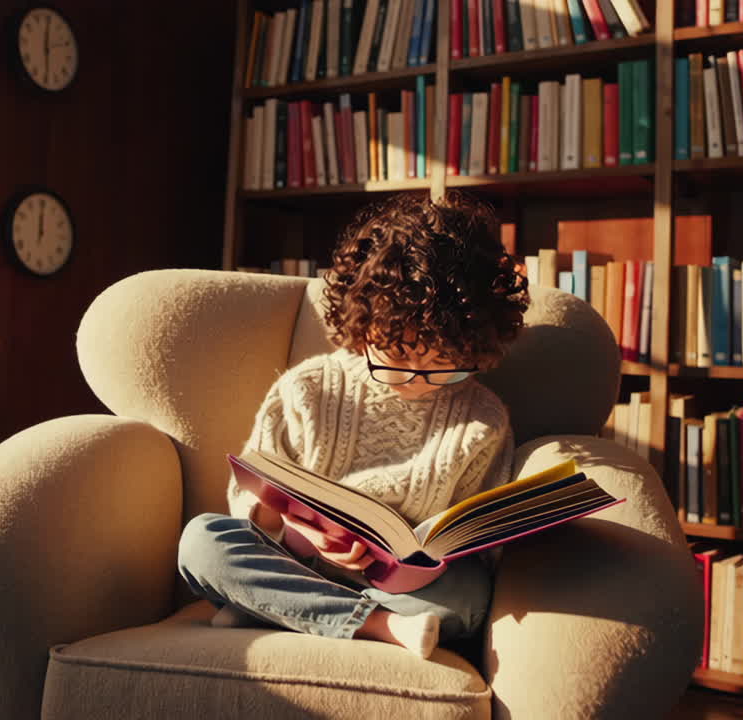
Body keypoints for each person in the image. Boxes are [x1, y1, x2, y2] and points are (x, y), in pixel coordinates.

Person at [177, 190, 531, 658]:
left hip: (402, 588)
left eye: (444, 362)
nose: (417, 379)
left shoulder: (481, 419)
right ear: (363, 328)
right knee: (203, 541)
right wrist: (301, 529)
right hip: (298, 564)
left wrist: (423, 555)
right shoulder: (308, 388)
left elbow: (476, 543)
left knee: (468, 598)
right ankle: (380, 628)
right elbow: (253, 503)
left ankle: (275, 610)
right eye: (398, 357)